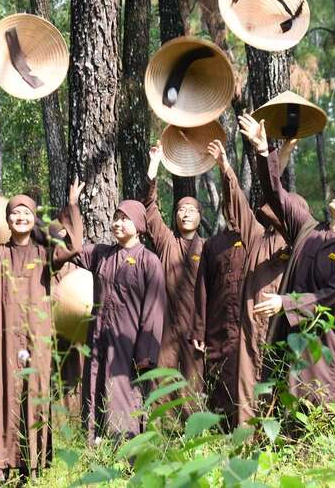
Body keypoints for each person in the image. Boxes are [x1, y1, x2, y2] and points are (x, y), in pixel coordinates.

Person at [240, 113, 335, 404]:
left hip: (323, 346)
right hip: (287, 337)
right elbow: (276, 195)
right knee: (280, 408)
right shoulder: (307, 229)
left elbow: (331, 296)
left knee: (315, 413)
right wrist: (264, 151)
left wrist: (285, 303)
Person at [0, 170, 82, 480]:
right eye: (14, 213)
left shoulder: (46, 255)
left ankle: (33, 463)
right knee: (1, 392)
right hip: (3, 341)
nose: (20, 217)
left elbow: (74, 248)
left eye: (26, 213)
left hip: (37, 341)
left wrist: (71, 207)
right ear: (7, 221)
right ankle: (0, 463)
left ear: (33, 220)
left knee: (34, 392)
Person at [201, 138, 298, 426]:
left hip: (282, 327)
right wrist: (226, 167)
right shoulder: (257, 236)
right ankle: (246, 443)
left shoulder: (302, 241)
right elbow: (242, 205)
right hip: (251, 325)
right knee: (246, 388)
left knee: (280, 384)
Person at [61, 194, 167, 443]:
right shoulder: (101, 254)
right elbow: (73, 248)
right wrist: (73, 207)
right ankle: (95, 446)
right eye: (115, 218)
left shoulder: (148, 261)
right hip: (98, 336)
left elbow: (153, 311)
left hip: (129, 344)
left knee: (123, 394)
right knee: (94, 386)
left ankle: (126, 452)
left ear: (139, 225)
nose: (118, 224)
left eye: (124, 219)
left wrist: (145, 355)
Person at [143, 143, 205, 403]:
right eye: (181, 209)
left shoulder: (208, 249)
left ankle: (194, 438)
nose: (186, 214)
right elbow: (149, 208)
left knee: (193, 386)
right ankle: (163, 437)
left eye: (191, 210)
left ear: (200, 216)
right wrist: (154, 164)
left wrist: (204, 332)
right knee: (163, 383)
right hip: (167, 325)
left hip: (195, 327)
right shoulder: (167, 241)